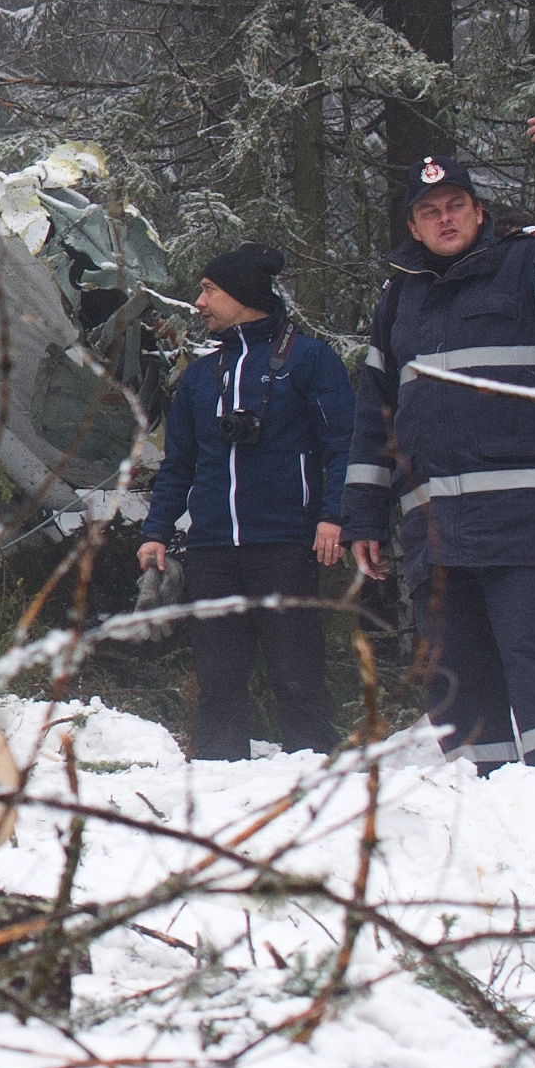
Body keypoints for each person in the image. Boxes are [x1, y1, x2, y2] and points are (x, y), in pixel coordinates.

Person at [344, 101, 535, 796]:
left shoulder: (529, 266)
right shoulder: (398, 301)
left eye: (456, 204)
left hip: (521, 525)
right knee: (457, 682)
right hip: (435, 537)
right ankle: (493, 818)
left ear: (477, 212)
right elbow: (373, 417)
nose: (444, 218)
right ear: (412, 226)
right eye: (429, 211)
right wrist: (361, 518)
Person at [138, 241, 355, 760]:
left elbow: (343, 446)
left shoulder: (309, 360)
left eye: (210, 290)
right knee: (217, 675)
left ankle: (313, 769)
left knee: (297, 671)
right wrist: (155, 532)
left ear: (244, 295)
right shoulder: (199, 377)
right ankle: (216, 775)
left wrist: (334, 517)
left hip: (284, 543)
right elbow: (178, 464)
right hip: (212, 547)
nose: (199, 302)